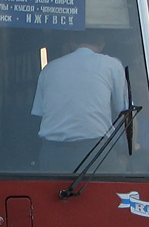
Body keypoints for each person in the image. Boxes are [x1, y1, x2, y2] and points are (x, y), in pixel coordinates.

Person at [31, 32, 128, 171]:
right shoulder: (112, 65)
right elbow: (124, 110)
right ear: (102, 45)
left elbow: (38, 114)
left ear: (72, 43)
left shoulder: (49, 68)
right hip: (95, 153)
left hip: (52, 154)